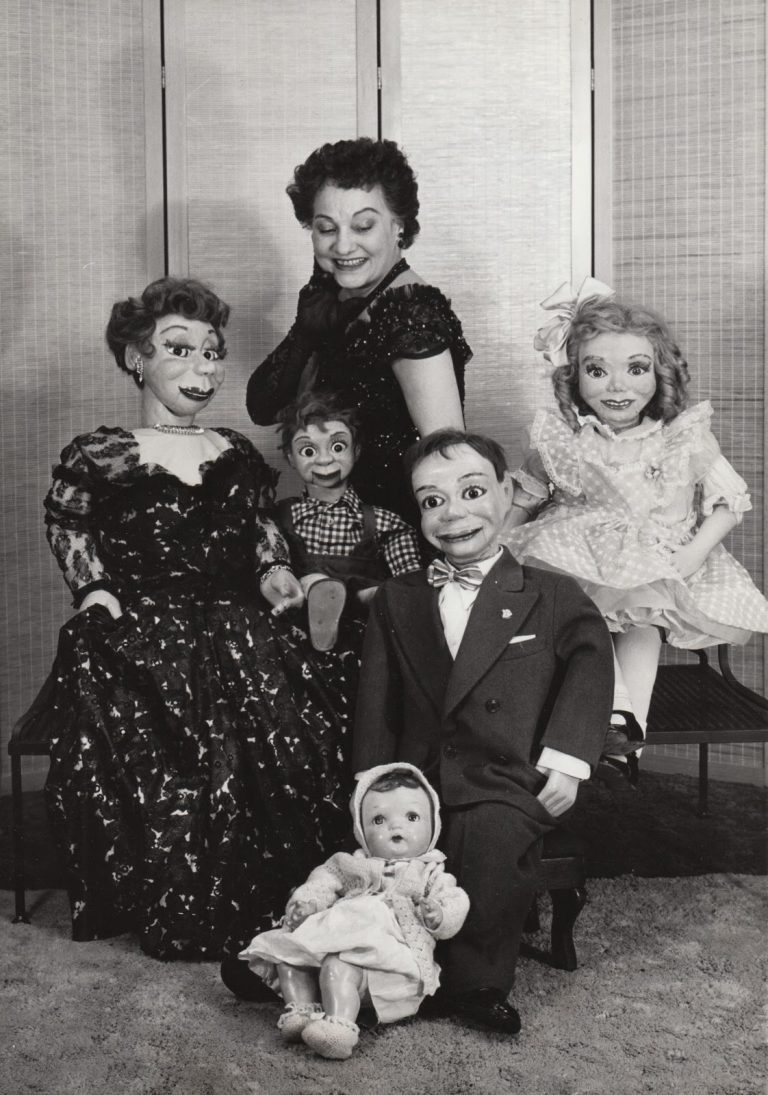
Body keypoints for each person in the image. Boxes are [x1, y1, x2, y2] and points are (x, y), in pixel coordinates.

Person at [43, 276, 356, 963]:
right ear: (136, 357)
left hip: (234, 617)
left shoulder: (233, 450)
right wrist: (94, 590)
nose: (203, 368)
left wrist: (274, 571)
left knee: (298, 715)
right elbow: (69, 522)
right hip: (144, 623)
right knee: (164, 733)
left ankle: (292, 894)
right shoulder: (104, 452)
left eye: (211, 353)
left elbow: (259, 530)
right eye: (179, 349)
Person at [353, 429, 614, 1035]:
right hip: (418, 777)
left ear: (506, 492)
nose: (453, 513)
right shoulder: (397, 597)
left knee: (490, 843)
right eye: (432, 501)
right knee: (376, 858)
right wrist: (371, 779)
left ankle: (475, 984)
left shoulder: (550, 593)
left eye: (471, 492)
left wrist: (567, 761)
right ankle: (310, 960)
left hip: (504, 773)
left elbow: (591, 666)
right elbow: (376, 696)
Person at [503, 280, 768, 778]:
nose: (616, 386)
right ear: (574, 377)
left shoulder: (681, 438)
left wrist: (694, 553)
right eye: (597, 370)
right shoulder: (567, 439)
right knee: (581, 613)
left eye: (636, 369)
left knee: (643, 620)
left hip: (657, 555)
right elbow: (528, 494)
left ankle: (629, 734)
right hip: (579, 552)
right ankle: (611, 712)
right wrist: (497, 548)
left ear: (660, 373)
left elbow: (729, 502)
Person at [246, 137, 472, 520]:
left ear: (399, 225)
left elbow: (448, 456)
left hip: (394, 530)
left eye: (363, 226)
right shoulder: (339, 299)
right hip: (335, 522)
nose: (343, 245)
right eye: (326, 229)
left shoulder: (411, 314)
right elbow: (263, 408)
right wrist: (304, 332)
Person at [236, 763, 469, 1060]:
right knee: (288, 954)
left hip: (385, 959)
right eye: (379, 819)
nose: (396, 827)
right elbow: (323, 882)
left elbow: (454, 901)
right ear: (361, 829)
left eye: (412, 817)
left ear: (434, 825)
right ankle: (301, 1013)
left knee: (339, 965)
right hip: (337, 936)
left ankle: (339, 1027)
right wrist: (306, 903)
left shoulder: (430, 872)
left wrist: (439, 915)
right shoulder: (350, 863)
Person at [275, 391, 422, 650]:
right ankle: (320, 592)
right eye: (308, 450)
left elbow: (409, 579)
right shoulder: (280, 517)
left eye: (338, 447)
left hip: (366, 635)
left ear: (356, 450)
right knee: (310, 582)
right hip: (297, 635)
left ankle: (359, 599)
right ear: (290, 458)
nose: (324, 459)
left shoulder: (385, 522)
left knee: (388, 593)